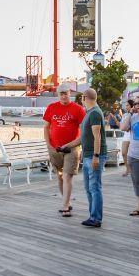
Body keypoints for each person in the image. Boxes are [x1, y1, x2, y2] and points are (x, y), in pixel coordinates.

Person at [43, 85, 85, 218]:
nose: (63, 96)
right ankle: (65, 200)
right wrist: (49, 145)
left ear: (69, 93)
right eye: (61, 94)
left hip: (71, 149)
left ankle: (66, 206)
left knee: (67, 176)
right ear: (58, 94)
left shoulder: (78, 109)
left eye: (66, 93)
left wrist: (77, 144)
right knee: (60, 177)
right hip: (55, 148)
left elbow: (83, 130)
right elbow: (46, 127)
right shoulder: (52, 107)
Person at [72, 88, 106, 228]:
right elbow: (83, 138)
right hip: (87, 155)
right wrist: (67, 146)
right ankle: (92, 216)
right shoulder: (89, 113)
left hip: (93, 156)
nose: (81, 100)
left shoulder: (95, 113)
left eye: (82, 98)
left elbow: (97, 136)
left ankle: (96, 218)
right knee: (88, 187)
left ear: (85, 98)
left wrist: (96, 156)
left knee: (94, 186)